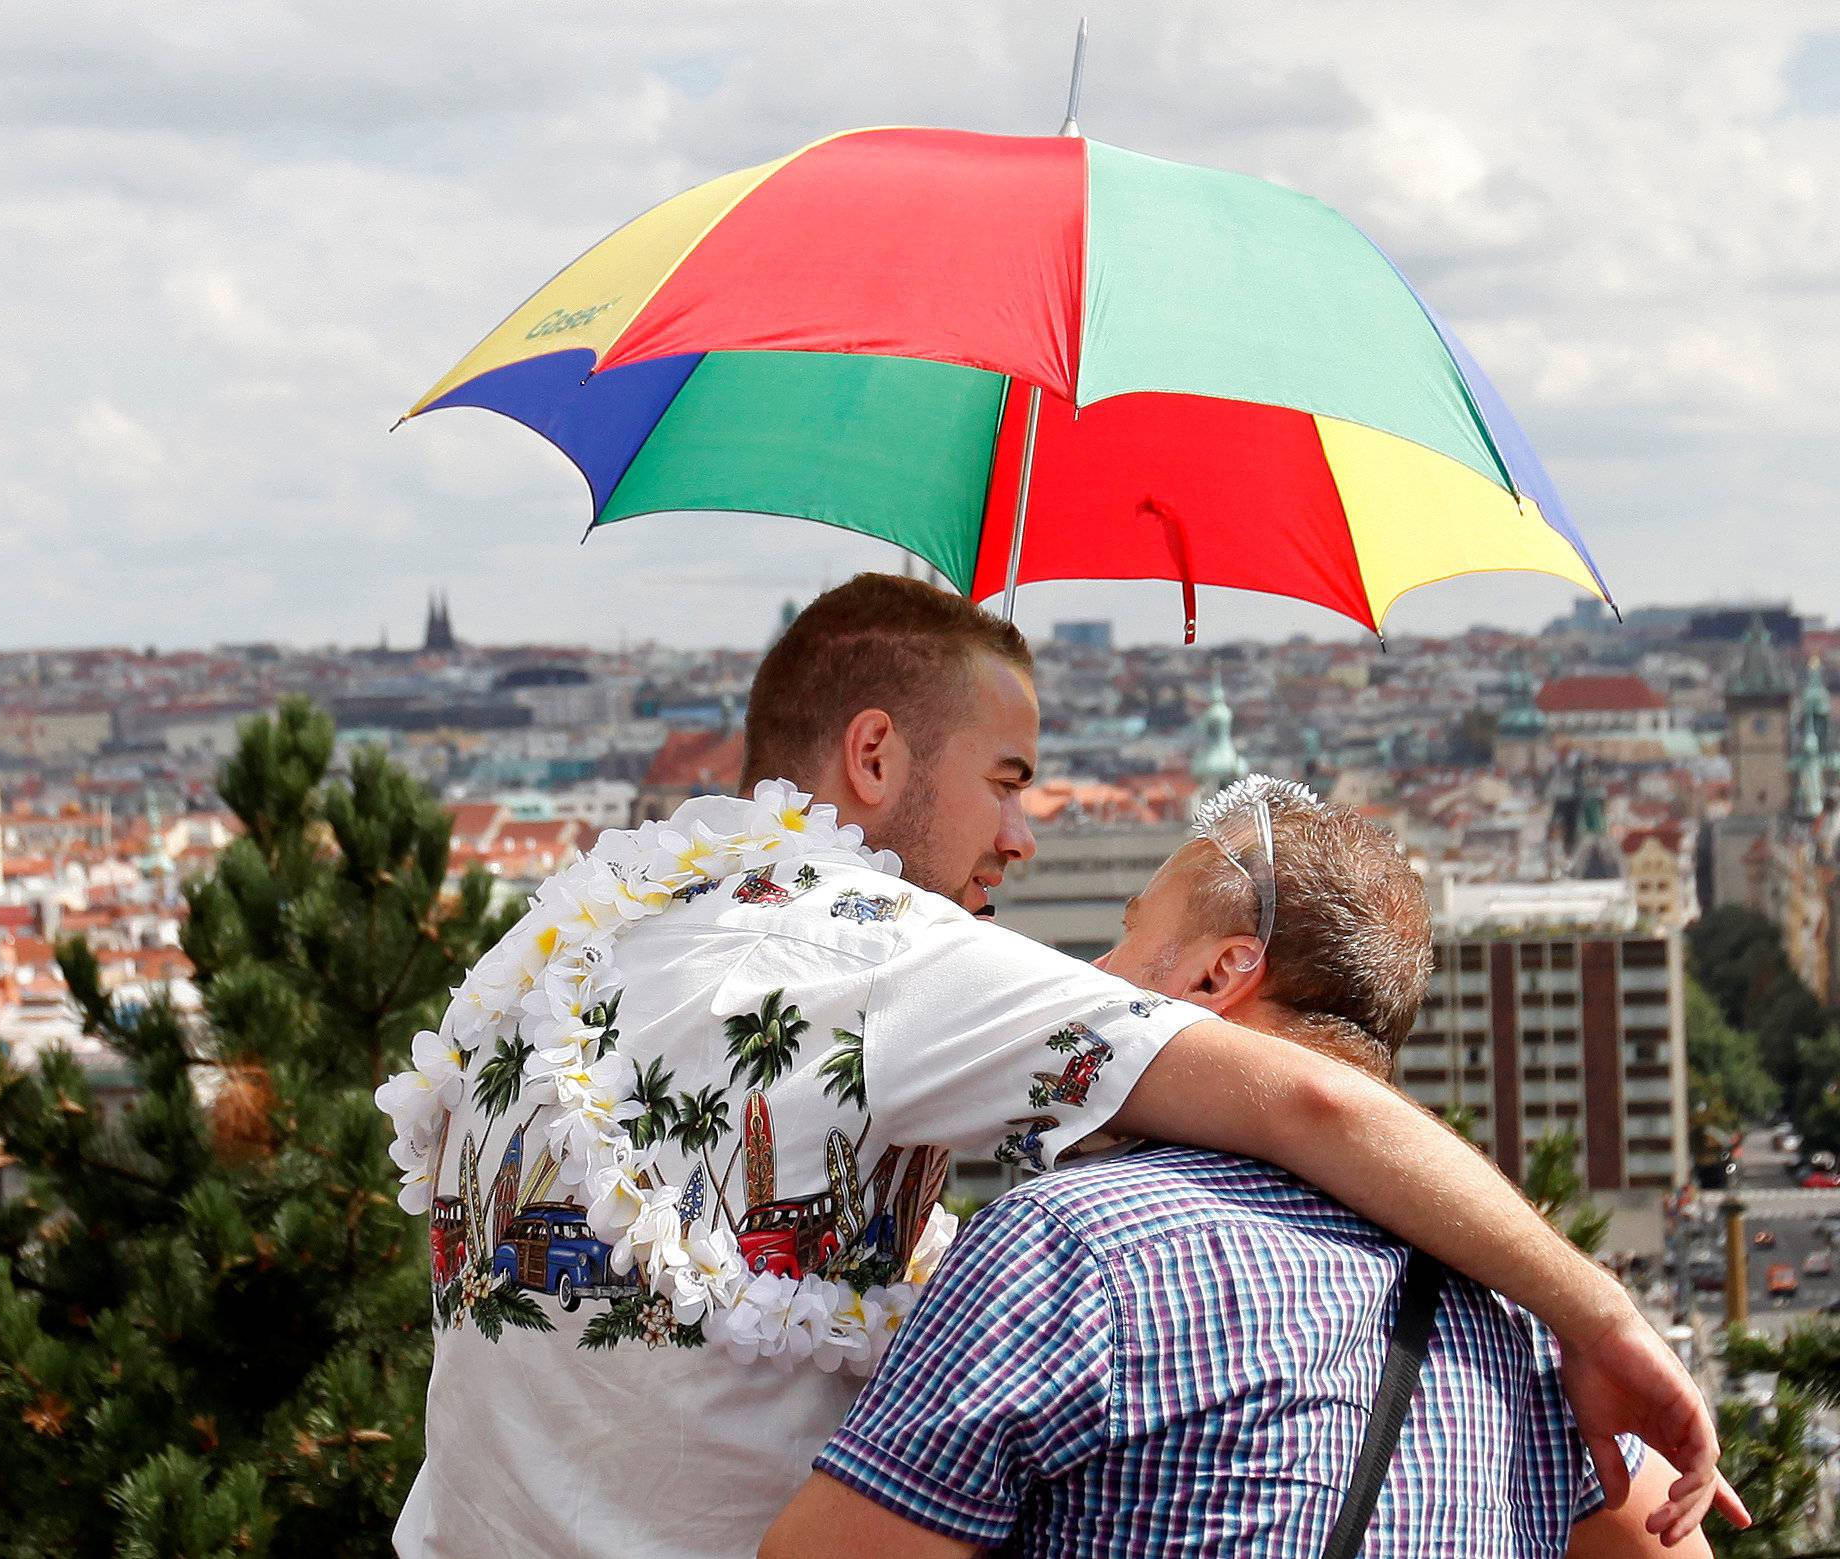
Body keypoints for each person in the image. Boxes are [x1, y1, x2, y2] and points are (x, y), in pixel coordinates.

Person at [384, 574, 1722, 1559]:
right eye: (1010, 776)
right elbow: (1309, 1098)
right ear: (874, 754)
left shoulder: (568, 939)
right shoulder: (877, 945)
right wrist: (1599, 1311)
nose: (1026, 837)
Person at [764, 779, 1720, 1557]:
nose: (1097, 969)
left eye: (1130, 933)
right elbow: (1670, 1540)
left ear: (1219, 975)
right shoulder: (1519, 1306)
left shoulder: (1070, 1251)